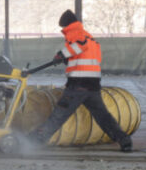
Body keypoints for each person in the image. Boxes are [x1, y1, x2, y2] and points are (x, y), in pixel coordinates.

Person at [22, 9, 132, 152]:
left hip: (78, 85)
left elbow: (80, 45)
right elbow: (91, 58)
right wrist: (68, 59)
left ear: (67, 25)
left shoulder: (76, 32)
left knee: (59, 115)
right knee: (103, 117)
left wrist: (62, 54)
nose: (63, 30)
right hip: (93, 86)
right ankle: (125, 141)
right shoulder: (91, 38)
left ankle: (34, 141)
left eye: (63, 27)